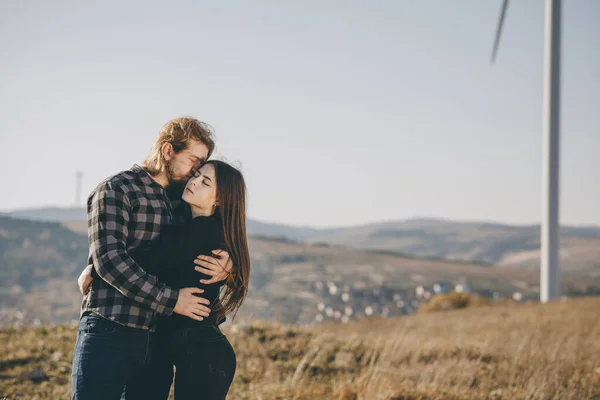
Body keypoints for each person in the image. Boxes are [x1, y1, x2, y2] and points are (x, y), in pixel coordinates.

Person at [71, 117, 233, 400]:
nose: (197, 171)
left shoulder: (182, 201)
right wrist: (173, 300)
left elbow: (212, 233)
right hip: (111, 327)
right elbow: (111, 260)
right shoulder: (117, 189)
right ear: (168, 151)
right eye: (194, 160)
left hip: (158, 341)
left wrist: (229, 265)